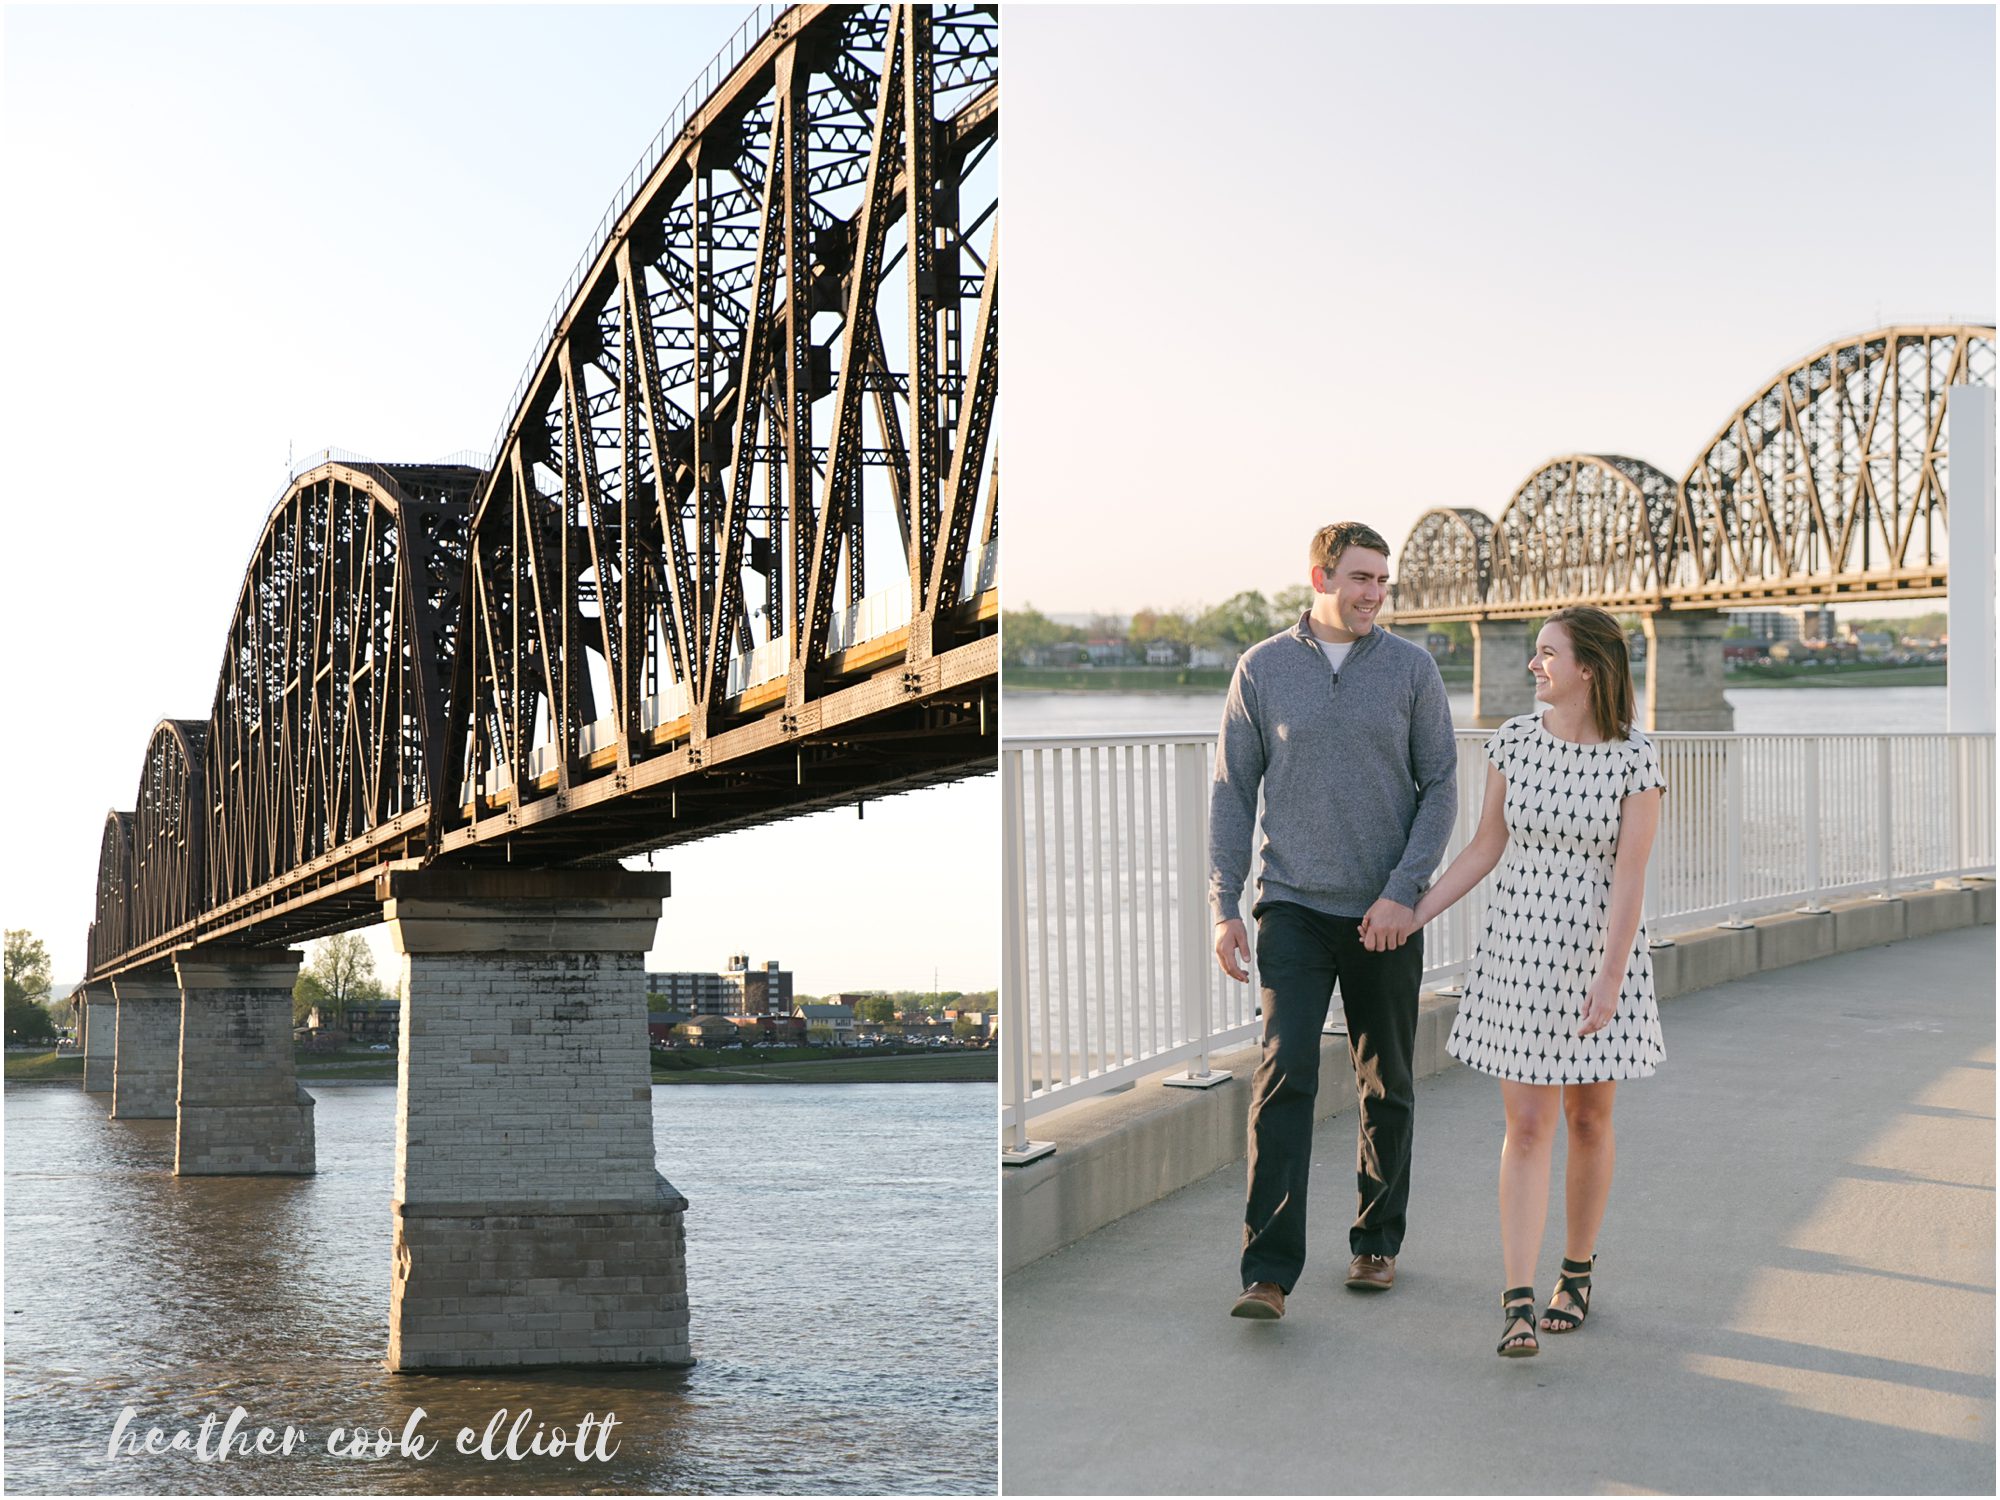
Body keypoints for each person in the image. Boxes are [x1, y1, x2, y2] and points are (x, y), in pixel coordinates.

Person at [1209, 521, 1458, 1321]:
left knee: (1386, 1079)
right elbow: (1231, 791)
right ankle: (1268, 1272)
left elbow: (1442, 785)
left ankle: (1376, 1244)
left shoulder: (1412, 670)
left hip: (1385, 910)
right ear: (1320, 575)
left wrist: (1404, 890)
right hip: (1292, 905)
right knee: (1284, 1071)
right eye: (1361, 579)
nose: (1374, 595)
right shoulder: (1264, 668)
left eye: (1383, 581)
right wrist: (1224, 904)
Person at [1411, 604, 1666, 1358]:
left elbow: (1630, 880)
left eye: (1547, 653)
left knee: (1588, 1119)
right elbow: (1484, 848)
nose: (1533, 664)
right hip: (1518, 955)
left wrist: (1610, 977)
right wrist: (1413, 911)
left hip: (1597, 959)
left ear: (1587, 667)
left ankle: (1576, 1272)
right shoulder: (1514, 742)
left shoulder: (1636, 759)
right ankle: (1517, 1297)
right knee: (1526, 1126)